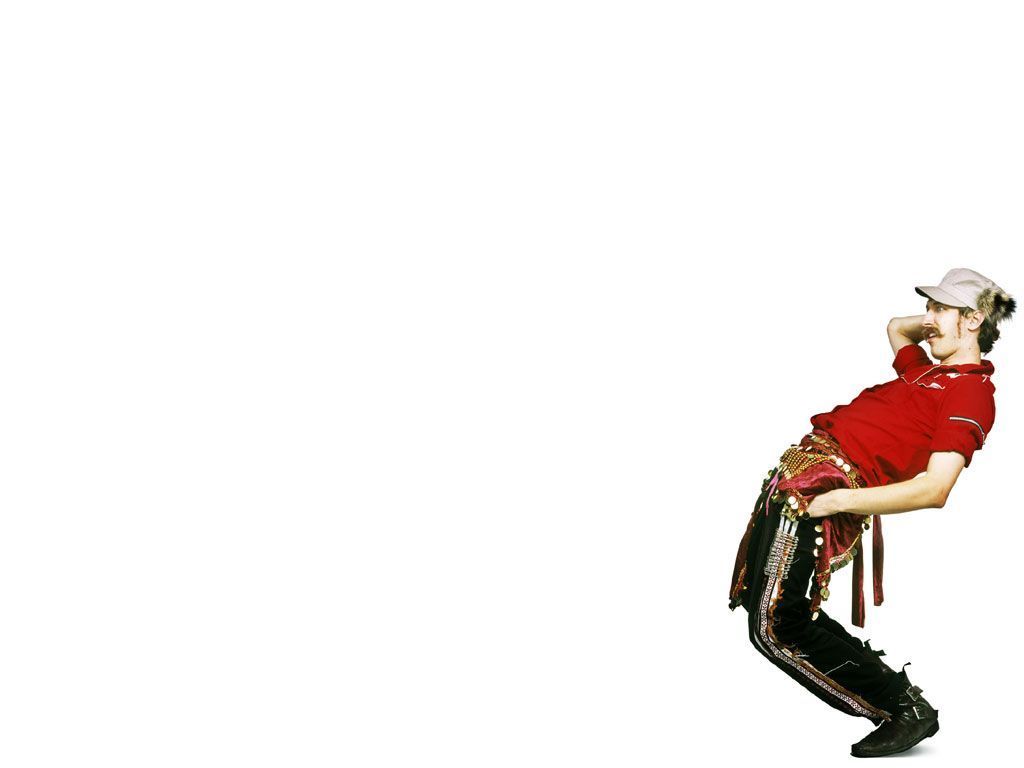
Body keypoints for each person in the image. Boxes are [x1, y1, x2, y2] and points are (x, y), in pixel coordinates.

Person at [727, 268, 1015, 758]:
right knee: (770, 609)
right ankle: (902, 703)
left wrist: (837, 501)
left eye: (939, 309)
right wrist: (942, 322)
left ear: (973, 319)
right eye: (928, 308)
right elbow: (895, 328)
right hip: (797, 480)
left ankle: (902, 708)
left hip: (822, 492)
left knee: (773, 627)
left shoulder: (970, 393)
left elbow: (935, 488)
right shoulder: (925, 372)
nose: (927, 319)